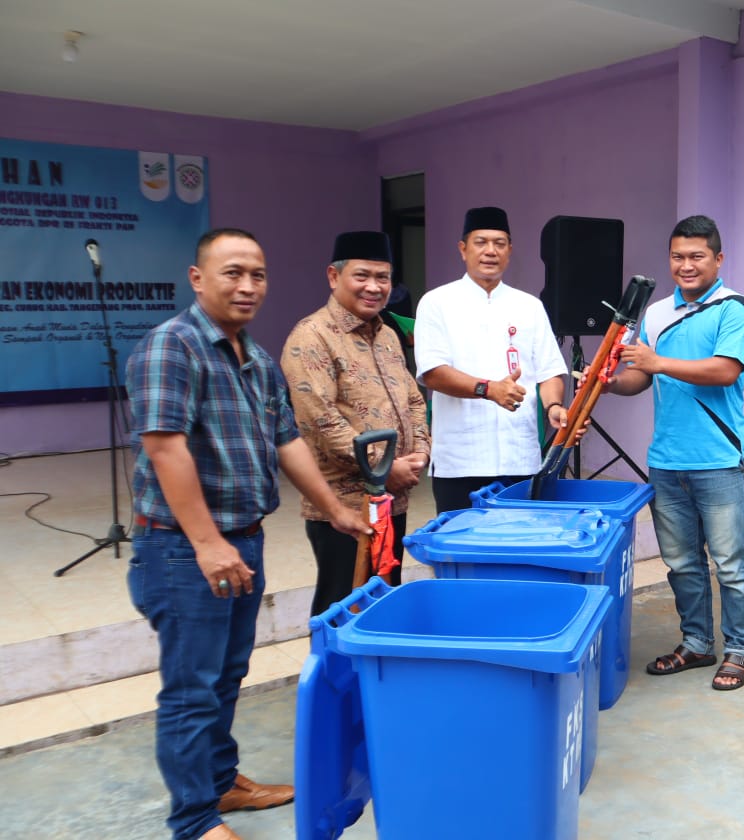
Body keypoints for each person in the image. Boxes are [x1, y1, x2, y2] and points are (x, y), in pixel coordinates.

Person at [125, 229, 366, 840]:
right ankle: (195, 821)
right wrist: (207, 542)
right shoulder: (171, 348)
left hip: (243, 539)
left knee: (227, 674)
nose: (248, 286)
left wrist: (335, 508)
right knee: (192, 688)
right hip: (183, 550)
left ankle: (221, 782)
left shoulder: (254, 358)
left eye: (257, 274)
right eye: (233, 273)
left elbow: (287, 442)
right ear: (197, 277)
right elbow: (164, 447)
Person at [607, 215, 744, 691]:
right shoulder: (655, 313)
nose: (686, 265)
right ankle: (697, 643)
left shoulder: (734, 307)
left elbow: (724, 371)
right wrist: (609, 382)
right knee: (681, 564)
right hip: (666, 462)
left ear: (718, 258)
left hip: (718, 459)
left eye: (697, 256)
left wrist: (655, 360)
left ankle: (739, 649)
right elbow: (641, 377)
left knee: (731, 563)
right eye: (678, 256)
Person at [280, 231, 431, 618]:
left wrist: (419, 454)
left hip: (392, 499)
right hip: (342, 508)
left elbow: (413, 398)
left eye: (383, 278)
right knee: (342, 606)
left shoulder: (388, 336)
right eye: (362, 275)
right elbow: (322, 422)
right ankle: (334, 680)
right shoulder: (310, 337)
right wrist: (386, 468)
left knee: (383, 602)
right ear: (334, 276)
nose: (374, 287)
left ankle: (375, 679)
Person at [414, 206, 570, 513]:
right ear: (463, 249)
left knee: (518, 546)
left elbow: (550, 370)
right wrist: (489, 389)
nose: (490, 251)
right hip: (460, 461)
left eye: (499, 243)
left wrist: (553, 406)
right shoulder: (437, 302)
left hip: (519, 456)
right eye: (481, 242)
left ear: (510, 251)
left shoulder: (529, 305)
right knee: (462, 551)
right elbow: (432, 372)